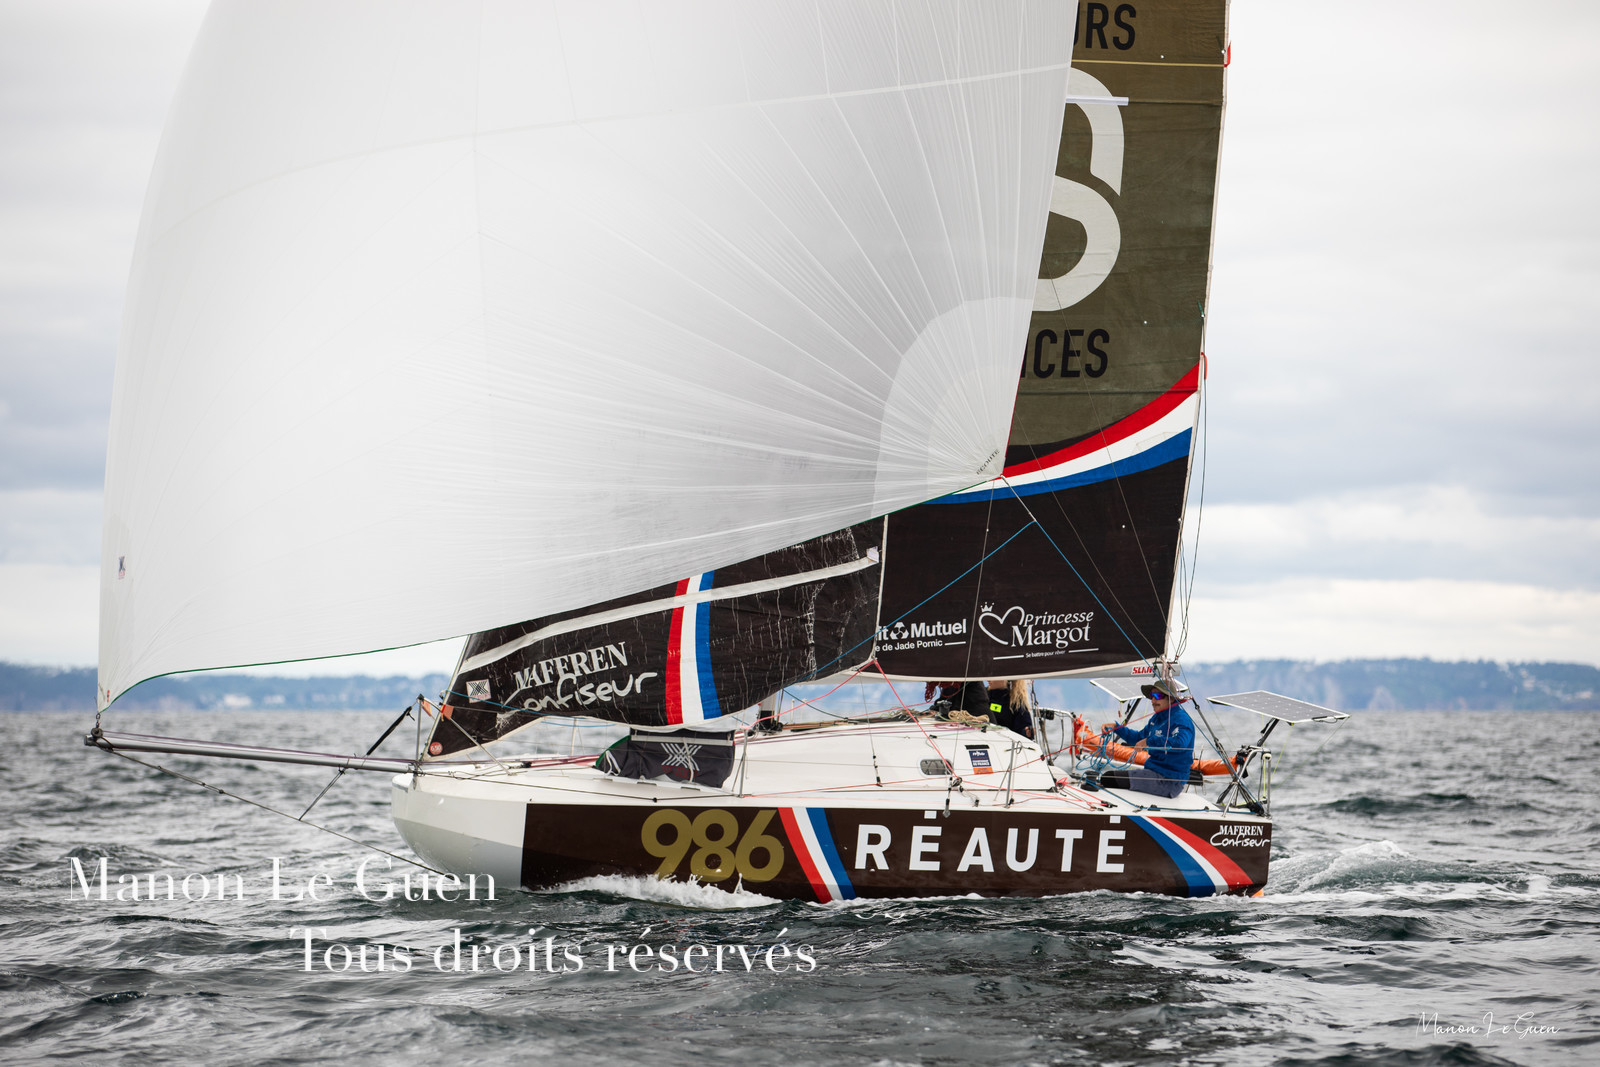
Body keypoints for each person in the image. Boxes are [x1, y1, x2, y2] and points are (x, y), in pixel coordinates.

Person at [1098, 682, 1195, 798]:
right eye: (1151, 696)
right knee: (1108, 777)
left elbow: (1180, 743)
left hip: (1169, 781)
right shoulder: (1157, 718)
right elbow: (1139, 738)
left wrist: (1149, 741)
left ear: (1171, 699)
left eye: (1158, 696)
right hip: (1153, 773)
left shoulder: (1182, 719)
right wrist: (1117, 728)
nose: (1153, 700)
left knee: (1108, 778)